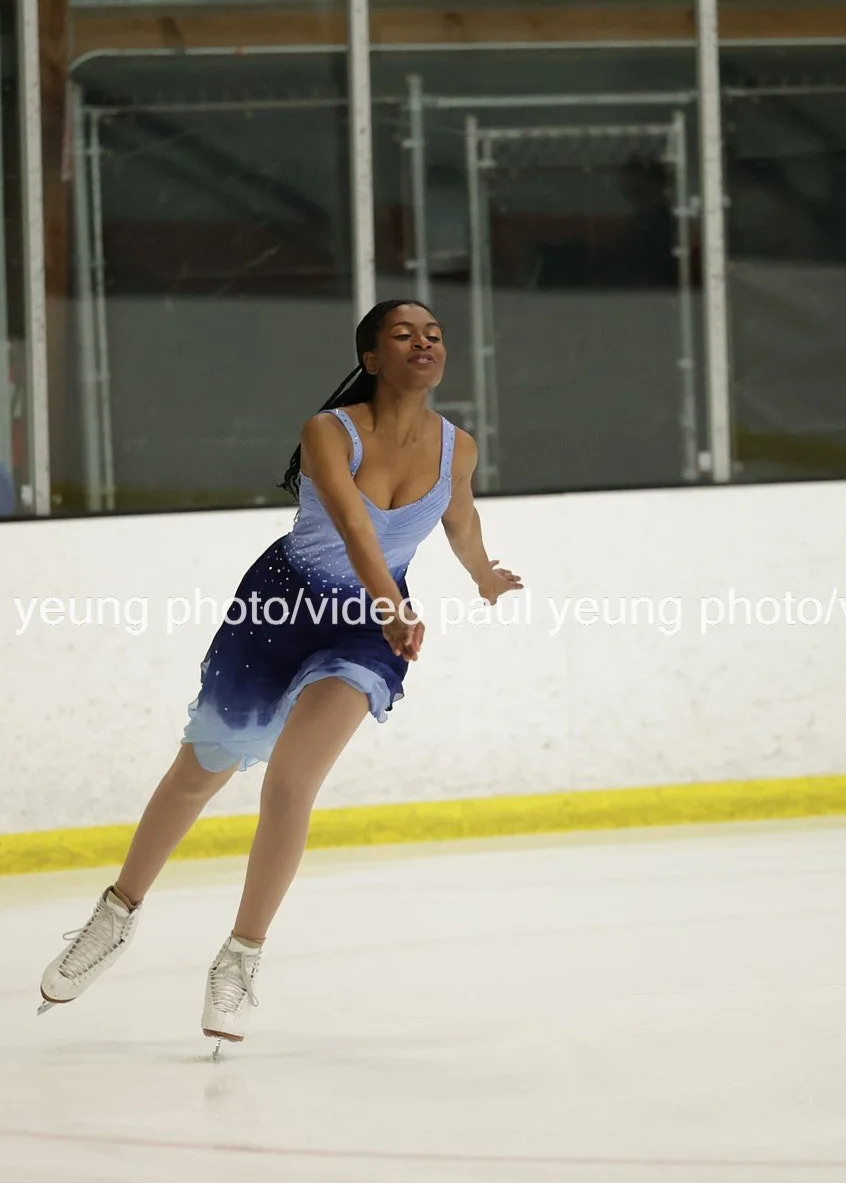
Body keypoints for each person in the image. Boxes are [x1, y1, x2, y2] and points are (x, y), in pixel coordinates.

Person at [35, 300, 522, 1050]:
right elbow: (355, 527)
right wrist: (394, 605)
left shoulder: (459, 448)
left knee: (291, 784)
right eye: (403, 335)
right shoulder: (329, 431)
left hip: (367, 629)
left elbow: (461, 522)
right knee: (200, 772)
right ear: (371, 359)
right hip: (281, 610)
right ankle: (116, 914)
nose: (424, 343)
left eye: (433, 334)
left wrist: (484, 575)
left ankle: (240, 957)